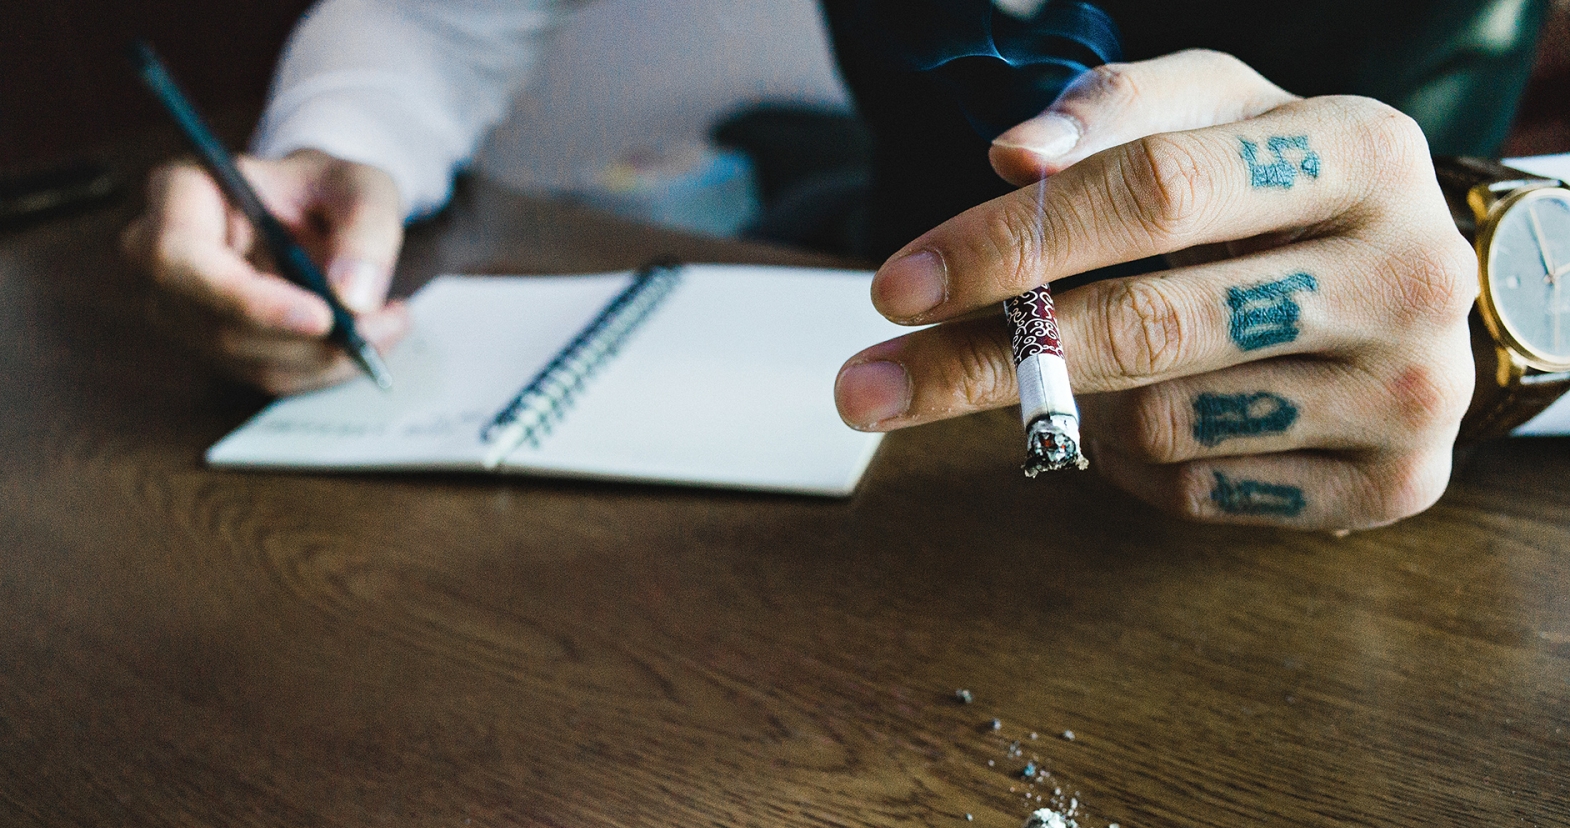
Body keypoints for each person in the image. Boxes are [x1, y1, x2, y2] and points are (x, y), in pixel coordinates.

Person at [121, 0, 1553, 529]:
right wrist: (346, 138)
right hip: (905, 473)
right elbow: (437, 21)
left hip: (1433, 483)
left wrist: (1520, 294)